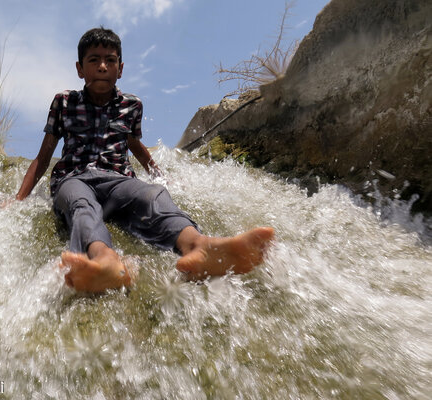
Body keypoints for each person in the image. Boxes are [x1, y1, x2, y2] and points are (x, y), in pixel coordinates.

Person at [14, 27, 274, 293]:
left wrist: (158, 176)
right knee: (82, 204)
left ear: (121, 68)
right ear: (80, 68)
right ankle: (105, 260)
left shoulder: (132, 105)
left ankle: (198, 245)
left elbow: (133, 144)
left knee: (153, 195)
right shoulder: (64, 102)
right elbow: (44, 156)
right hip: (74, 178)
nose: (103, 66)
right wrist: (17, 200)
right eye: (94, 60)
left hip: (117, 179)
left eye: (110, 60)